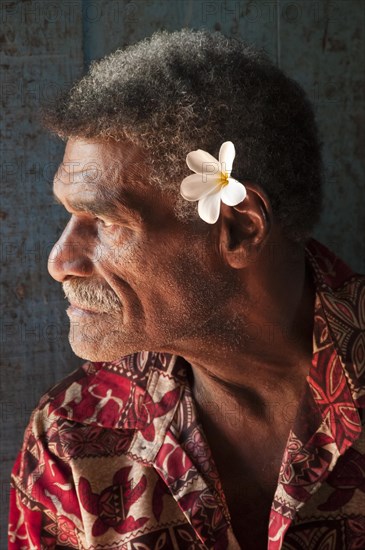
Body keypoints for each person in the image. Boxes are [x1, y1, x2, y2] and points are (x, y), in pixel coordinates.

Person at [8, 29, 365, 550]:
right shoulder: (70, 434)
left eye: (107, 221)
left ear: (239, 229)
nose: (59, 262)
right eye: (69, 216)